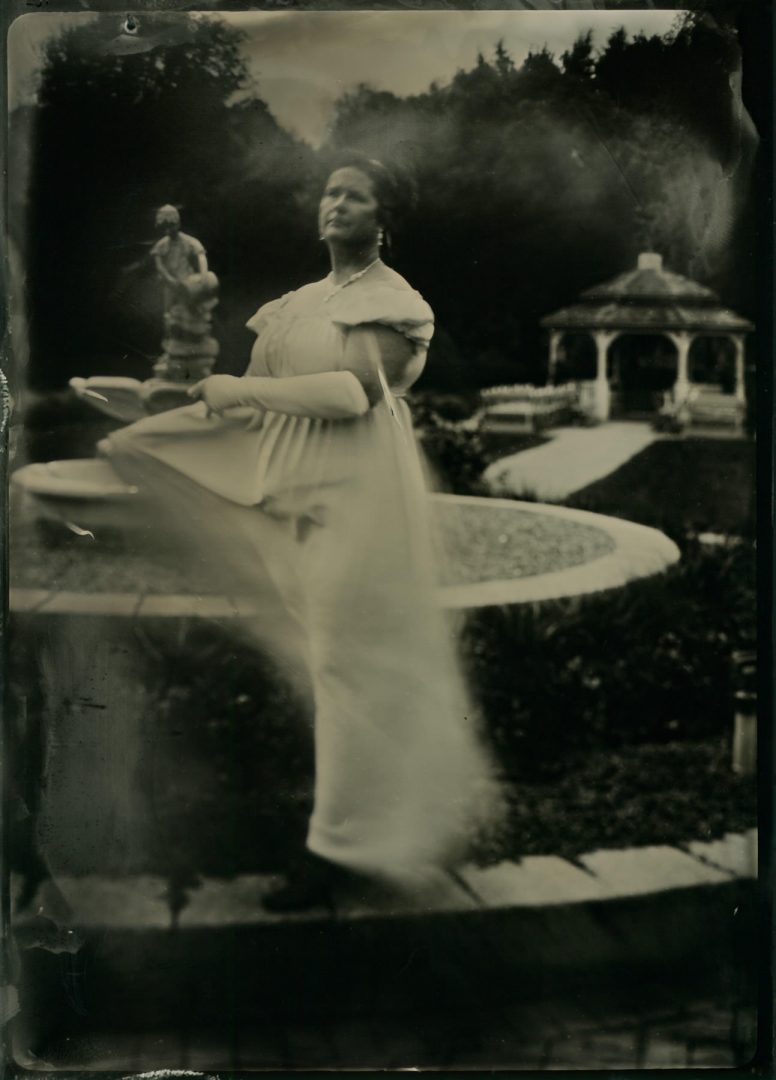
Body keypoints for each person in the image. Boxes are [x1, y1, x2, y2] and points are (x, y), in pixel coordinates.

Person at [99, 153, 500, 911]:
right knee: (336, 665)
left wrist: (241, 387)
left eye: (357, 196)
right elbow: (245, 406)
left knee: (344, 667)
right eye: (331, 191)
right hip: (283, 493)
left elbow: (350, 394)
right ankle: (379, 821)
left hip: (359, 498)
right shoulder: (290, 307)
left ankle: (337, 853)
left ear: (386, 220)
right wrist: (149, 424)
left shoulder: (396, 302)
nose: (337, 203)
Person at [150, 204, 220, 382]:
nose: (170, 229)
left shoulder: (188, 241)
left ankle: (194, 350)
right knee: (169, 315)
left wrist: (203, 277)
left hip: (188, 285)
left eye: (172, 225)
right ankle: (172, 351)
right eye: (166, 226)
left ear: (178, 224)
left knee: (194, 314)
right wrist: (169, 280)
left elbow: (201, 255)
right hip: (171, 286)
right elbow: (159, 265)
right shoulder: (162, 245)